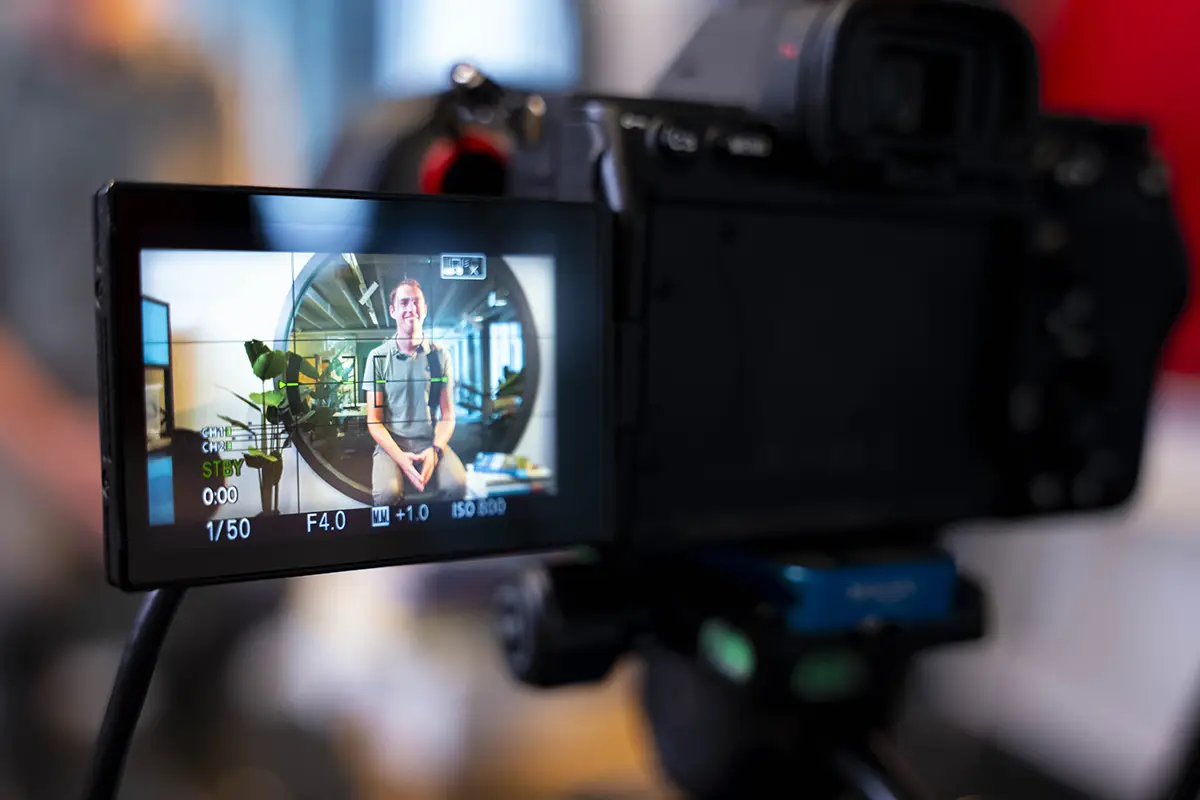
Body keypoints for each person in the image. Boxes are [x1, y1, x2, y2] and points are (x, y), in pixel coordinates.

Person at [363, 278, 468, 504]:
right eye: (404, 303)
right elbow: (374, 421)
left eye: (416, 302)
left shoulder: (440, 356)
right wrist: (401, 459)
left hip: (430, 441)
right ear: (392, 311)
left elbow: (448, 415)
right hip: (392, 443)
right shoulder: (378, 357)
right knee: (387, 494)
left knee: (457, 485)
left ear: (425, 308)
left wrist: (435, 451)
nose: (411, 308)